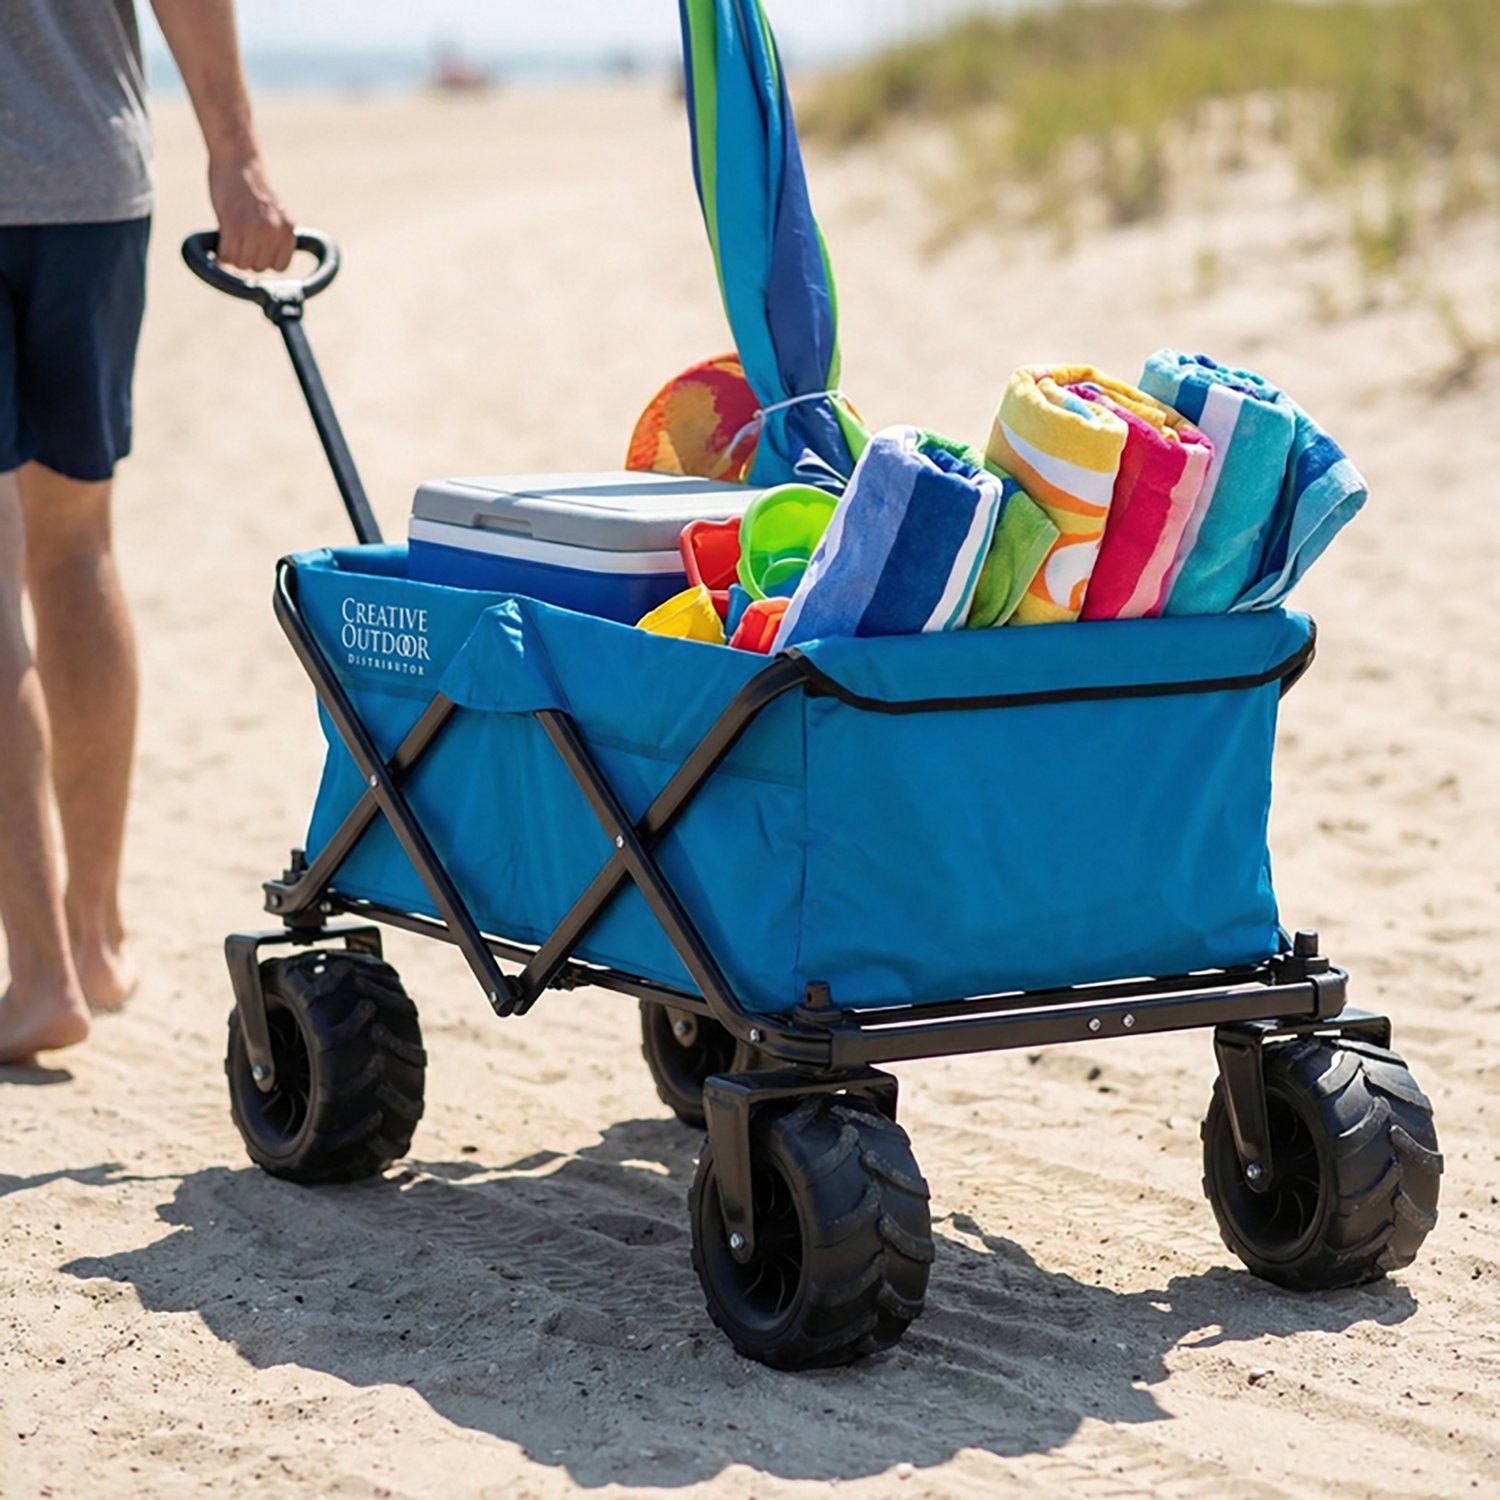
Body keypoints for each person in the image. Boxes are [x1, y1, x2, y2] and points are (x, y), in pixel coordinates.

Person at [0, 1, 294, 1064]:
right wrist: (237, 151)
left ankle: (41, 979)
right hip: (87, 174)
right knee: (75, 551)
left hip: (82, 169)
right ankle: (95, 937)